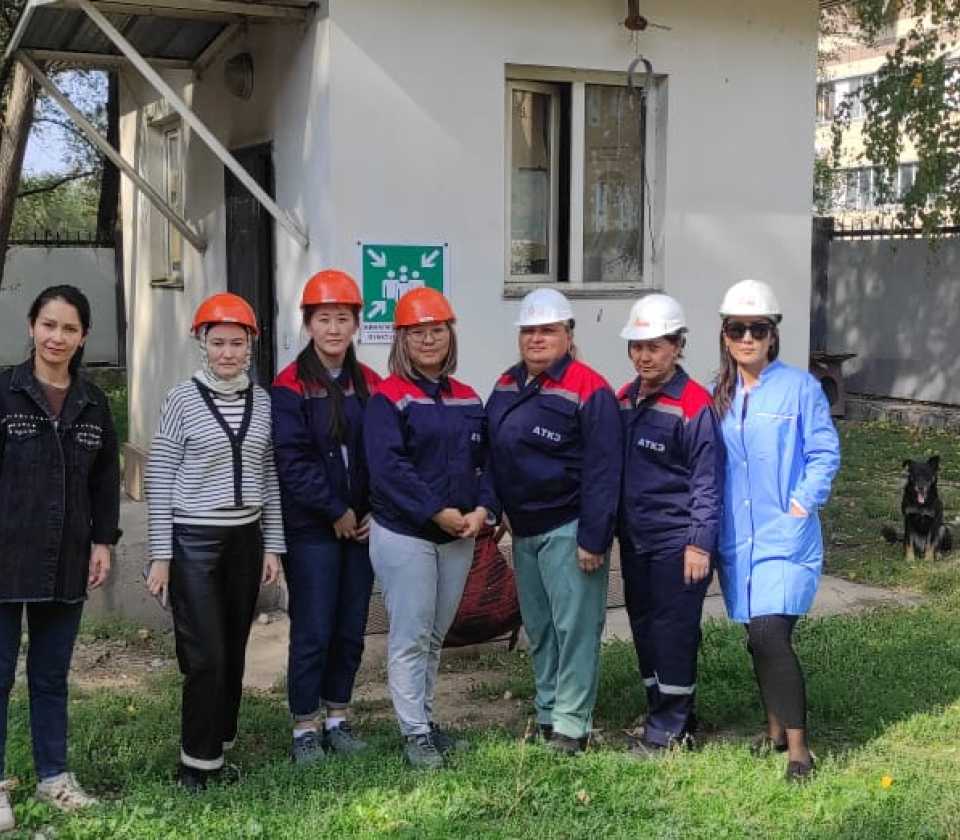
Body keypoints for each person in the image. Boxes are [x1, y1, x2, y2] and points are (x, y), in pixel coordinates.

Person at [144, 292, 284, 790]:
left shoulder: (262, 401)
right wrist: (161, 555)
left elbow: (268, 473)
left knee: (233, 648)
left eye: (236, 343)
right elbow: (160, 476)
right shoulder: (181, 399)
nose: (227, 352)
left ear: (251, 346)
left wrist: (273, 545)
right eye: (218, 342)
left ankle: (219, 741)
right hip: (194, 542)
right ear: (202, 344)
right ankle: (196, 765)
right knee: (205, 654)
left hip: (245, 539)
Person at [0, 285, 120, 831]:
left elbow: (105, 481)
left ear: (84, 336)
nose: (57, 337)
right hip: (5, 558)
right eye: (49, 325)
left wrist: (103, 542)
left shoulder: (93, 404)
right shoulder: (5, 393)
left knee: (50, 676)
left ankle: (54, 778)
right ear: (31, 326)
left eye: (69, 328)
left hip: (66, 558)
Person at [365, 287, 498, 770]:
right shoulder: (388, 398)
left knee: (435, 636)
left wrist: (484, 509)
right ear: (401, 339)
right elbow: (389, 469)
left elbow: (489, 463)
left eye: (436, 330)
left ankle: (424, 719)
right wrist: (435, 511)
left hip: (458, 536)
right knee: (411, 637)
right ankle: (414, 733)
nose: (428, 339)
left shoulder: (468, 397)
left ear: (449, 335)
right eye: (417, 332)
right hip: (407, 534)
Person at [713, 279, 840, 783]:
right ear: (725, 335)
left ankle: (799, 751)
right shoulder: (720, 394)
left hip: (785, 537)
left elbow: (824, 453)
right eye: (737, 329)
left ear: (773, 335)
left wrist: (800, 503)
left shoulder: (801, 388)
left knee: (770, 633)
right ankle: (773, 731)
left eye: (758, 329)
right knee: (756, 637)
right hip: (738, 540)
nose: (747, 338)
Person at [486, 288, 622, 756]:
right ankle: (547, 711)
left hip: (570, 527)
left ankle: (571, 724)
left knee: (574, 630)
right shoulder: (507, 384)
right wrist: (494, 507)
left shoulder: (590, 389)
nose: (536, 338)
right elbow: (493, 451)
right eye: (529, 330)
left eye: (547, 330)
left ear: (568, 334)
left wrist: (594, 537)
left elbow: (605, 470)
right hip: (523, 529)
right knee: (541, 628)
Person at [272, 270, 381, 764]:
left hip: (362, 527)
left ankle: (338, 716)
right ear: (308, 324)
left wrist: (372, 510)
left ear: (356, 323)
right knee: (313, 628)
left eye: (342, 318)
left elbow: (382, 453)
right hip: (311, 528)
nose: (333, 329)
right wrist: (334, 509)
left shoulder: (371, 383)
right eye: (323, 319)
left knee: (350, 626)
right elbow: (291, 460)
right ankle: (305, 726)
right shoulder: (290, 385)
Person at [615, 294, 723, 756]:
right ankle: (669, 711)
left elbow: (707, 481)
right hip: (635, 538)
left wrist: (699, 544)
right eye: (637, 346)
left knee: (673, 631)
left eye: (654, 347)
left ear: (677, 347)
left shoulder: (694, 404)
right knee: (643, 626)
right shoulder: (624, 399)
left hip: (678, 541)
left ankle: (667, 733)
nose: (644, 356)